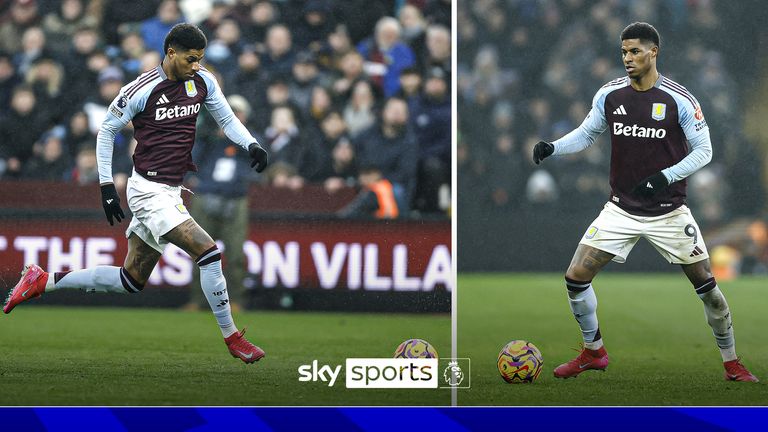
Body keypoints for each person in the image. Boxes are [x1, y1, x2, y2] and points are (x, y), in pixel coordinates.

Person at [3, 23, 270, 365]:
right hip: (146, 190)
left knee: (130, 280)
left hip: (171, 191)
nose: (196, 66)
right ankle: (233, 338)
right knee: (208, 252)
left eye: (200, 59)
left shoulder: (203, 81)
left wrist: (251, 144)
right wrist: (105, 185)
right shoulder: (140, 89)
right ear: (170, 52)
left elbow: (227, 119)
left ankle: (44, 281)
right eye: (190, 59)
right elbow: (106, 132)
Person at [532, 22, 758, 382]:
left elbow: (705, 151)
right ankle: (594, 352)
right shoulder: (610, 94)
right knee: (575, 277)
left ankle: (732, 363)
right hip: (620, 209)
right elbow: (588, 132)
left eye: (635, 51)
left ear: (654, 52)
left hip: (669, 212)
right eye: (623, 52)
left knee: (709, 291)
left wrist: (665, 177)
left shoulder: (679, 99)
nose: (627, 58)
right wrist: (554, 147)